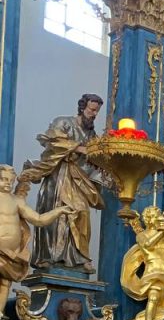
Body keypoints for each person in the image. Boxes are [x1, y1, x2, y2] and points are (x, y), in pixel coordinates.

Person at [20, 93, 108, 272]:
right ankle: (49, 257)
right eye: (91, 110)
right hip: (58, 176)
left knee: (81, 213)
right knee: (57, 214)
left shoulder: (92, 134)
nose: (94, 114)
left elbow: (92, 159)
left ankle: (80, 257)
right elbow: (52, 142)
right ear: (82, 107)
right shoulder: (63, 122)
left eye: (96, 112)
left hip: (79, 179)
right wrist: (78, 148)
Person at [0, 164, 73, 312]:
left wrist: (58, 211)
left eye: (10, 180)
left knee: (5, 283)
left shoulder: (16, 201)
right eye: (3, 179)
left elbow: (38, 219)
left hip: (12, 253)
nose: (8, 183)